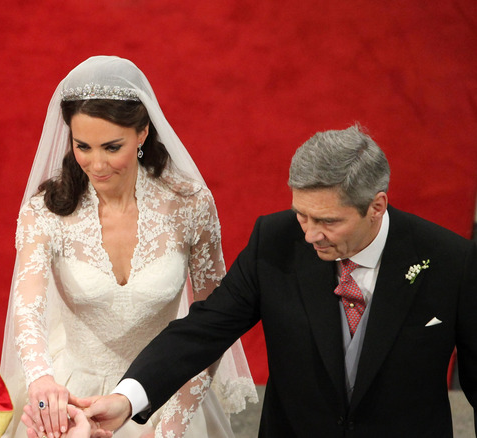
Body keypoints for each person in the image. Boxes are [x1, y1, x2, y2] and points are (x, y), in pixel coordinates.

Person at [83, 124, 477, 437]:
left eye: (328, 221)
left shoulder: (451, 262)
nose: (309, 235)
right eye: (302, 215)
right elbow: (203, 330)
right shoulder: (274, 241)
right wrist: (126, 399)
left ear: (376, 207)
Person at [0, 55, 257, 438]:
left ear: (142, 134)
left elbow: (213, 323)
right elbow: (28, 308)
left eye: (111, 147)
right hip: (72, 400)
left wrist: (168, 428)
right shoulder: (46, 211)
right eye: (82, 146)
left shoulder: (191, 205)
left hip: (170, 394)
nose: (96, 164)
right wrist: (41, 381)